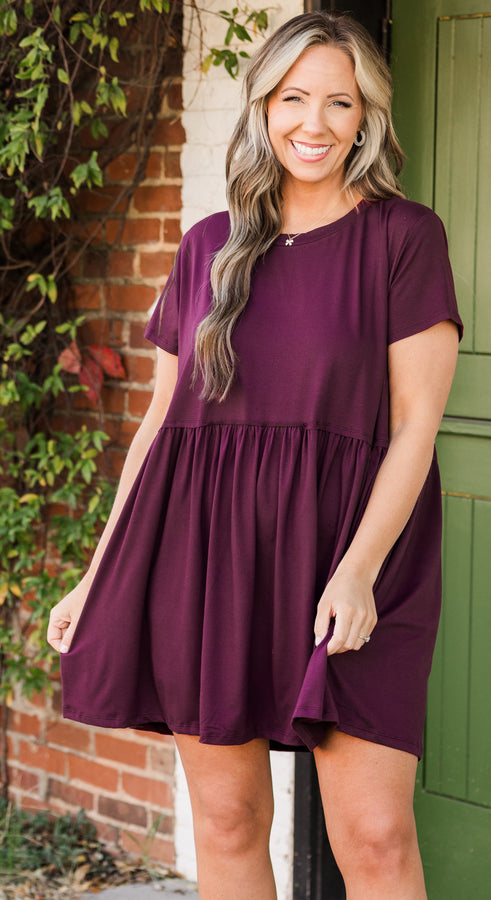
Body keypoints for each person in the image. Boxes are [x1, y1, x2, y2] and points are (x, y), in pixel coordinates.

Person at [48, 11, 462, 899]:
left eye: (339, 102)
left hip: (356, 555)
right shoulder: (208, 245)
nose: (315, 123)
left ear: (366, 116)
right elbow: (159, 429)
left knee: (377, 838)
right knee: (230, 821)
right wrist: (96, 576)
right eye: (293, 99)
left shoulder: (404, 237)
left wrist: (357, 572)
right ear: (263, 108)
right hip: (209, 559)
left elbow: (416, 426)